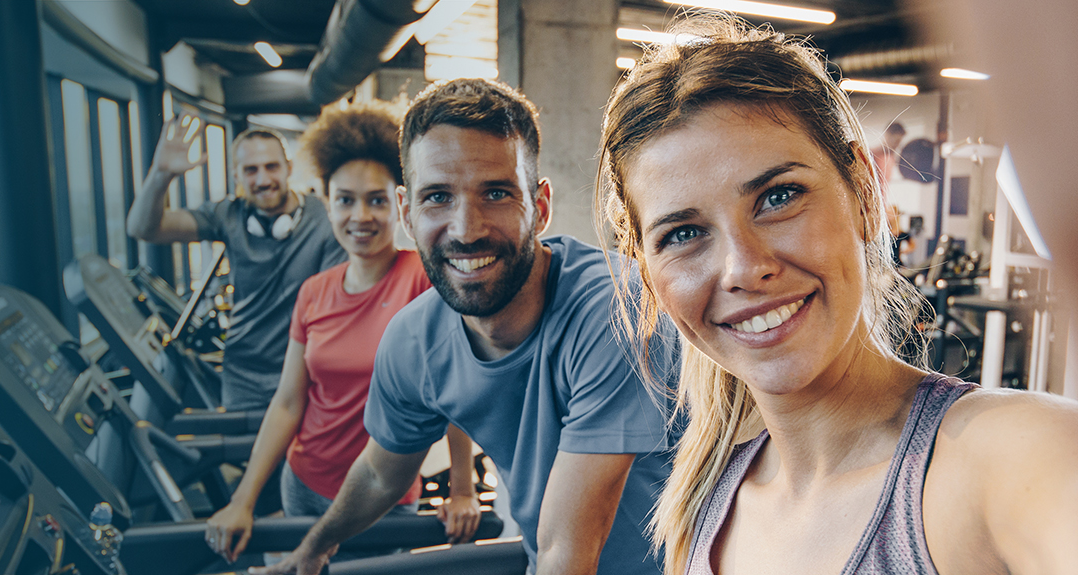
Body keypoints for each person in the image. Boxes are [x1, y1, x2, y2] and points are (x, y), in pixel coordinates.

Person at [596, 14, 1078, 575]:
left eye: (778, 197)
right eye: (682, 234)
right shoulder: (704, 502)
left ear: (864, 194)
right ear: (646, 271)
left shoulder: (1009, 458)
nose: (744, 269)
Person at [256, 78, 677, 575]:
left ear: (539, 207)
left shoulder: (614, 310)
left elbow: (570, 547)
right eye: (437, 197)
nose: (465, 229)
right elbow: (378, 473)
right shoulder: (414, 340)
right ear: (406, 212)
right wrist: (314, 548)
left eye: (496, 193)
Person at [202, 101, 482, 563]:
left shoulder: (423, 279)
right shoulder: (313, 292)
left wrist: (462, 487)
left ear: (398, 204)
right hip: (305, 482)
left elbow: (453, 392)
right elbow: (289, 401)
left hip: (384, 497)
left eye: (375, 200)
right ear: (326, 203)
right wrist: (243, 499)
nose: (361, 216)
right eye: (345, 201)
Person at [128, 119, 346, 411]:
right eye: (251, 170)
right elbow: (144, 228)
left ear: (289, 168)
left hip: (307, 373)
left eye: (271, 167)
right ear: (236, 177)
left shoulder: (325, 218)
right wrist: (160, 175)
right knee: (248, 456)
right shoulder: (227, 215)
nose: (263, 179)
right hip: (244, 376)